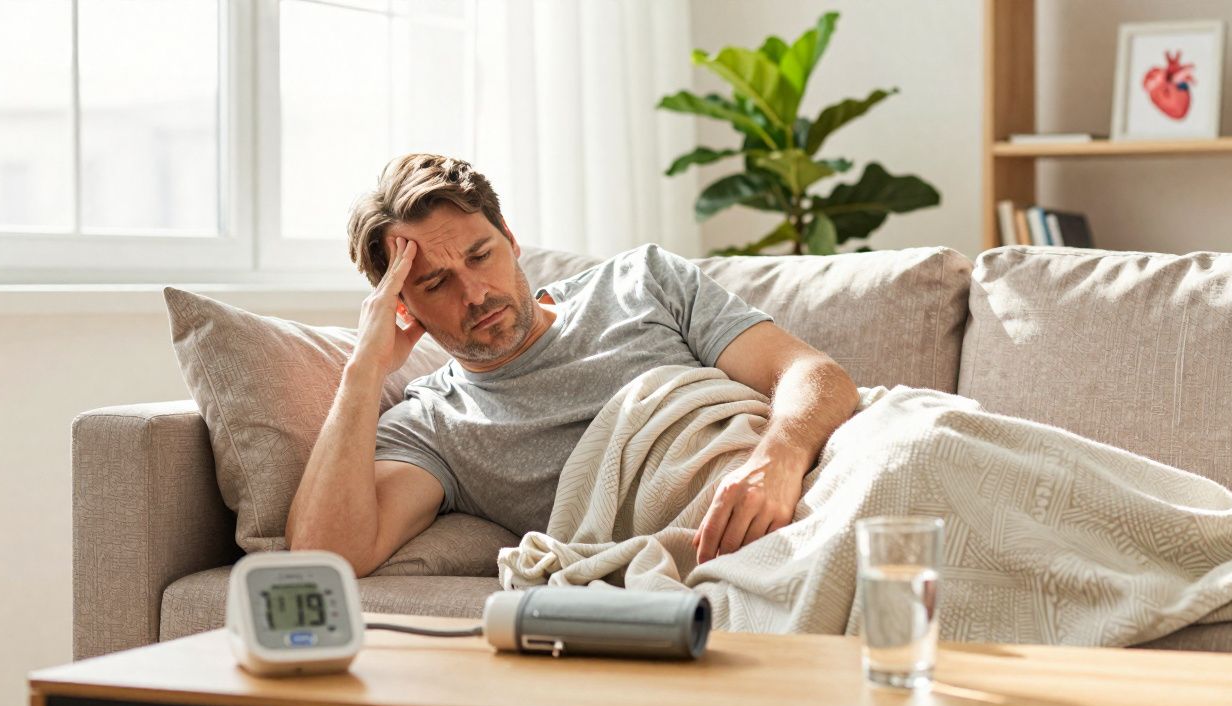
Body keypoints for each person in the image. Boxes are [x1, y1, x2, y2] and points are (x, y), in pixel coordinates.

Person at [285, 153, 860, 577]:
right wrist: (364, 370)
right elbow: (322, 558)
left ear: (510, 239)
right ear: (403, 307)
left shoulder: (642, 281)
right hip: (731, 544)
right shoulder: (434, 427)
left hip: (815, 469)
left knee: (930, 439)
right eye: (437, 284)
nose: (476, 293)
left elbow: (813, 375)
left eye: (481, 255)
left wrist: (778, 458)